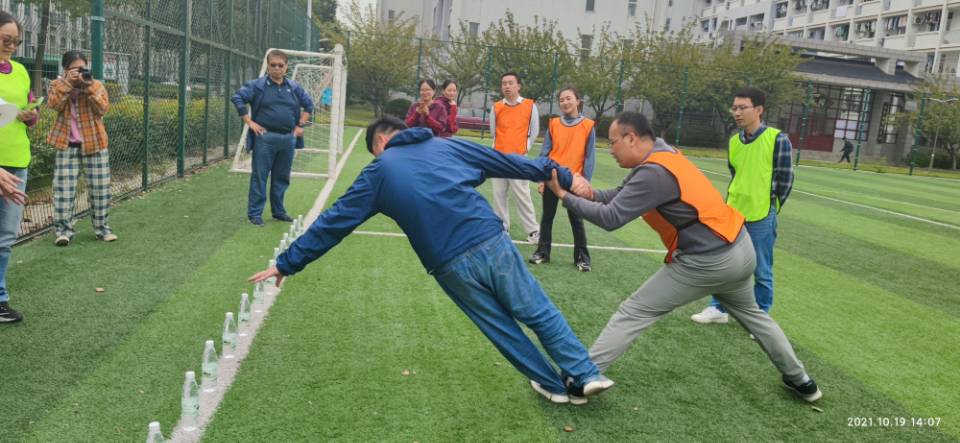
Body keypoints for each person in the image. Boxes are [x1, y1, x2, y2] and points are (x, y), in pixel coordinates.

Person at [249, 117, 614, 405]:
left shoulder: (378, 171)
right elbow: (508, 162)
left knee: (500, 327)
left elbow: (333, 223)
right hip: (490, 239)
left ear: (381, 142)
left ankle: (554, 386)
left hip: (448, 263)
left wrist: (287, 263)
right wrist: (565, 175)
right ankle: (584, 374)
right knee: (536, 309)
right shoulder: (446, 145)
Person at [545, 112, 821, 403]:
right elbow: (620, 194)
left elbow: (611, 217)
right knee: (755, 316)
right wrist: (589, 194)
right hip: (741, 248)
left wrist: (564, 196)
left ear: (631, 138)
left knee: (634, 311)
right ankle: (802, 381)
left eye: (612, 142)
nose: (609, 149)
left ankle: (581, 378)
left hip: (708, 261)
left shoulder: (653, 172)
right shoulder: (664, 153)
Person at [692, 87, 794, 325]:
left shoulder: (777, 139)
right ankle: (718, 308)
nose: (736, 112)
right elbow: (736, 173)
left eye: (742, 108)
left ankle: (760, 317)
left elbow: (786, 179)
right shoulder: (734, 142)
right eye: (734, 108)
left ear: (758, 110)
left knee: (761, 269)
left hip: (761, 213)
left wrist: (771, 206)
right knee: (726, 263)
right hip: (733, 212)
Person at [231, 49, 314, 227]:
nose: (277, 68)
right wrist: (249, 122)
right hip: (264, 138)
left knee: (282, 177)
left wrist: (300, 125)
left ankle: (278, 211)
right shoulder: (257, 86)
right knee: (260, 176)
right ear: (268, 66)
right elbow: (237, 97)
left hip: (288, 139)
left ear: (286, 67)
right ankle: (255, 214)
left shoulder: (294, 87)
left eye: (280, 65)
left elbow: (309, 105)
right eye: (273, 65)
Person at [46, 50, 114, 246]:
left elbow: (102, 109)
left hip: (95, 144)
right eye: (75, 69)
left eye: (83, 68)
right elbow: (54, 105)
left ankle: (102, 229)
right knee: (64, 191)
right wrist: (67, 84)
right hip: (66, 145)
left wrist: (88, 87)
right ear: (66, 70)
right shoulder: (57, 85)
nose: (79, 73)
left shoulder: (96, 85)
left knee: (100, 190)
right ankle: (63, 231)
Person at [530, 86, 595, 272]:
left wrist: (585, 183)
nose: (565, 102)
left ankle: (582, 258)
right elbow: (545, 153)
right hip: (552, 177)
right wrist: (541, 179)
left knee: (577, 221)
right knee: (547, 217)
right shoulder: (554, 124)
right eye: (561, 100)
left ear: (578, 101)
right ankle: (542, 252)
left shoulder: (588, 125)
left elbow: (589, 157)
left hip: (574, 181)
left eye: (568, 98)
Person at [0, 11, 38, 324]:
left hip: (17, 161)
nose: (11, 46)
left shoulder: (22, 71)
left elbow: (28, 107)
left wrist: (29, 115)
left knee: (5, 237)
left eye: (16, 41)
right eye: (5, 39)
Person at [489, 72, 539, 244]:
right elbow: (493, 132)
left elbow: (534, 131)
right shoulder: (496, 107)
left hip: (519, 159)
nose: (507, 86)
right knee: (499, 195)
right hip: (498, 158)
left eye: (510, 83)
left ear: (518, 86)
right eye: (504, 83)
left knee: (523, 194)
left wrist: (524, 149)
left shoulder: (530, 105)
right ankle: (502, 228)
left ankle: (533, 231)